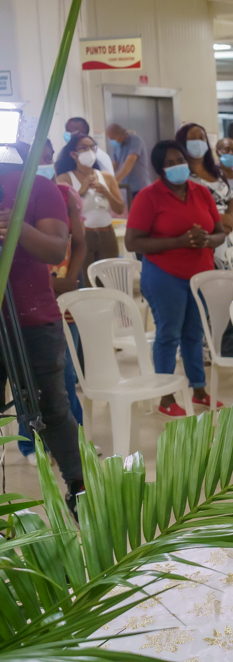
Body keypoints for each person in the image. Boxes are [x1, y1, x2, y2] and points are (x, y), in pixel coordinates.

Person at [0, 145, 84, 511]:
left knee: (51, 408)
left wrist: (16, 227)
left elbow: (55, 250)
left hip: (31, 317)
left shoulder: (39, 187)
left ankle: (80, 490)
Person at [124, 140, 226, 416]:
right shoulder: (148, 196)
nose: (176, 166)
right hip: (164, 276)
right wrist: (179, 241)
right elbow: (133, 242)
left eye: (179, 160)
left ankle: (199, 391)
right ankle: (166, 396)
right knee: (169, 334)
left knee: (194, 334)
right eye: (169, 163)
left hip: (199, 276)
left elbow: (220, 233)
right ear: (159, 169)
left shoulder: (201, 193)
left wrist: (207, 239)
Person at [16, 141, 86, 465]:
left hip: (45, 308)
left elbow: (68, 245)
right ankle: (29, 444)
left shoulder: (53, 192)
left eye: (47, 156)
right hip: (34, 299)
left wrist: (68, 279)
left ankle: (73, 452)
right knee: (28, 388)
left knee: (58, 384)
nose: (43, 161)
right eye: (38, 157)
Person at [55, 133, 125, 272]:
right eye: (83, 147)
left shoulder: (106, 177)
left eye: (92, 147)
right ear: (73, 154)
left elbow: (120, 208)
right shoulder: (66, 177)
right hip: (82, 236)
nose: (89, 151)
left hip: (107, 234)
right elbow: (63, 211)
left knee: (109, 277)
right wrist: (81, 191)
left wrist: (107, 193)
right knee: (85, 278)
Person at [176, 123, 233, 235]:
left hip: (224, 234)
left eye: (201, 138)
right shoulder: (181, 176)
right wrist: (220, 220)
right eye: (192, 138)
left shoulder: (217, 173)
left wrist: (229, 218)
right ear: (182, 143)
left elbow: (232, 198)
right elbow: (184, 209)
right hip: (201, 235)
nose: (198, 142)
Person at [106, 123, 151, 200]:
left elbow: (130, 162)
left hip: (140, 187)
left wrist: (116, 180)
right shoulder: (117, 145)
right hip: (127, 188)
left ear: (120, 135)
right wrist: (107, 178)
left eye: (113, 138)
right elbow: (115, 164)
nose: (112, 141)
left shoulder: (135, 140)